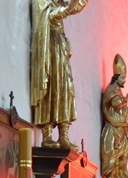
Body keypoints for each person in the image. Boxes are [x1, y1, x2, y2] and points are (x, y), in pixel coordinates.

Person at [30, 0, 89, 149]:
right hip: (48, 48)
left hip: (60, 46)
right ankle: (47, 135)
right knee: (51, 87)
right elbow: (48, 18)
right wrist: (67, 9)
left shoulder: (58, 2)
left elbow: (75, 8)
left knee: (65, 88)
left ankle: (64, 135)